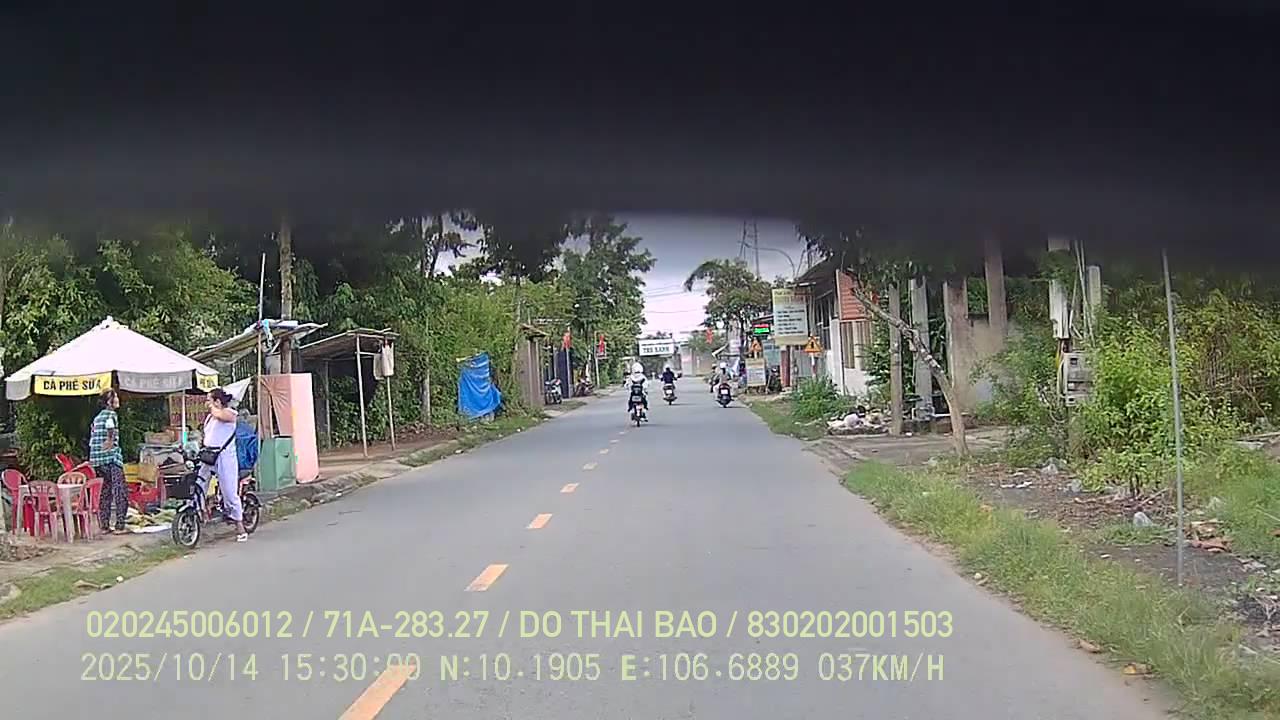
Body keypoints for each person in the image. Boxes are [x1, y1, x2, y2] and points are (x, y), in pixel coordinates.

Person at [199, 388, 247, 542]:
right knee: (200, 483)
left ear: (218, 401)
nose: (207, 403)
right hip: (209, 454)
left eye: (209, 400)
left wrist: (213, 407)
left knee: (229, 492)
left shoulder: (229, 413)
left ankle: (240, 526)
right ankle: (200, 512)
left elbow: (220, 415)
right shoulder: (210, 418)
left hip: (224, 456)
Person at [89, 389, 127, 534]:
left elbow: (93, 435)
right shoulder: (111, 414)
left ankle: (104, 525)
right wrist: (110, 440)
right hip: (111, 458)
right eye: (115, 397)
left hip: (97, 460)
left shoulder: (97, 417)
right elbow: (110, 425)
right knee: (119, 491)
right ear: (109, 402)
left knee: (105, 492)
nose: (118, 399)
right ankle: (120, 525)